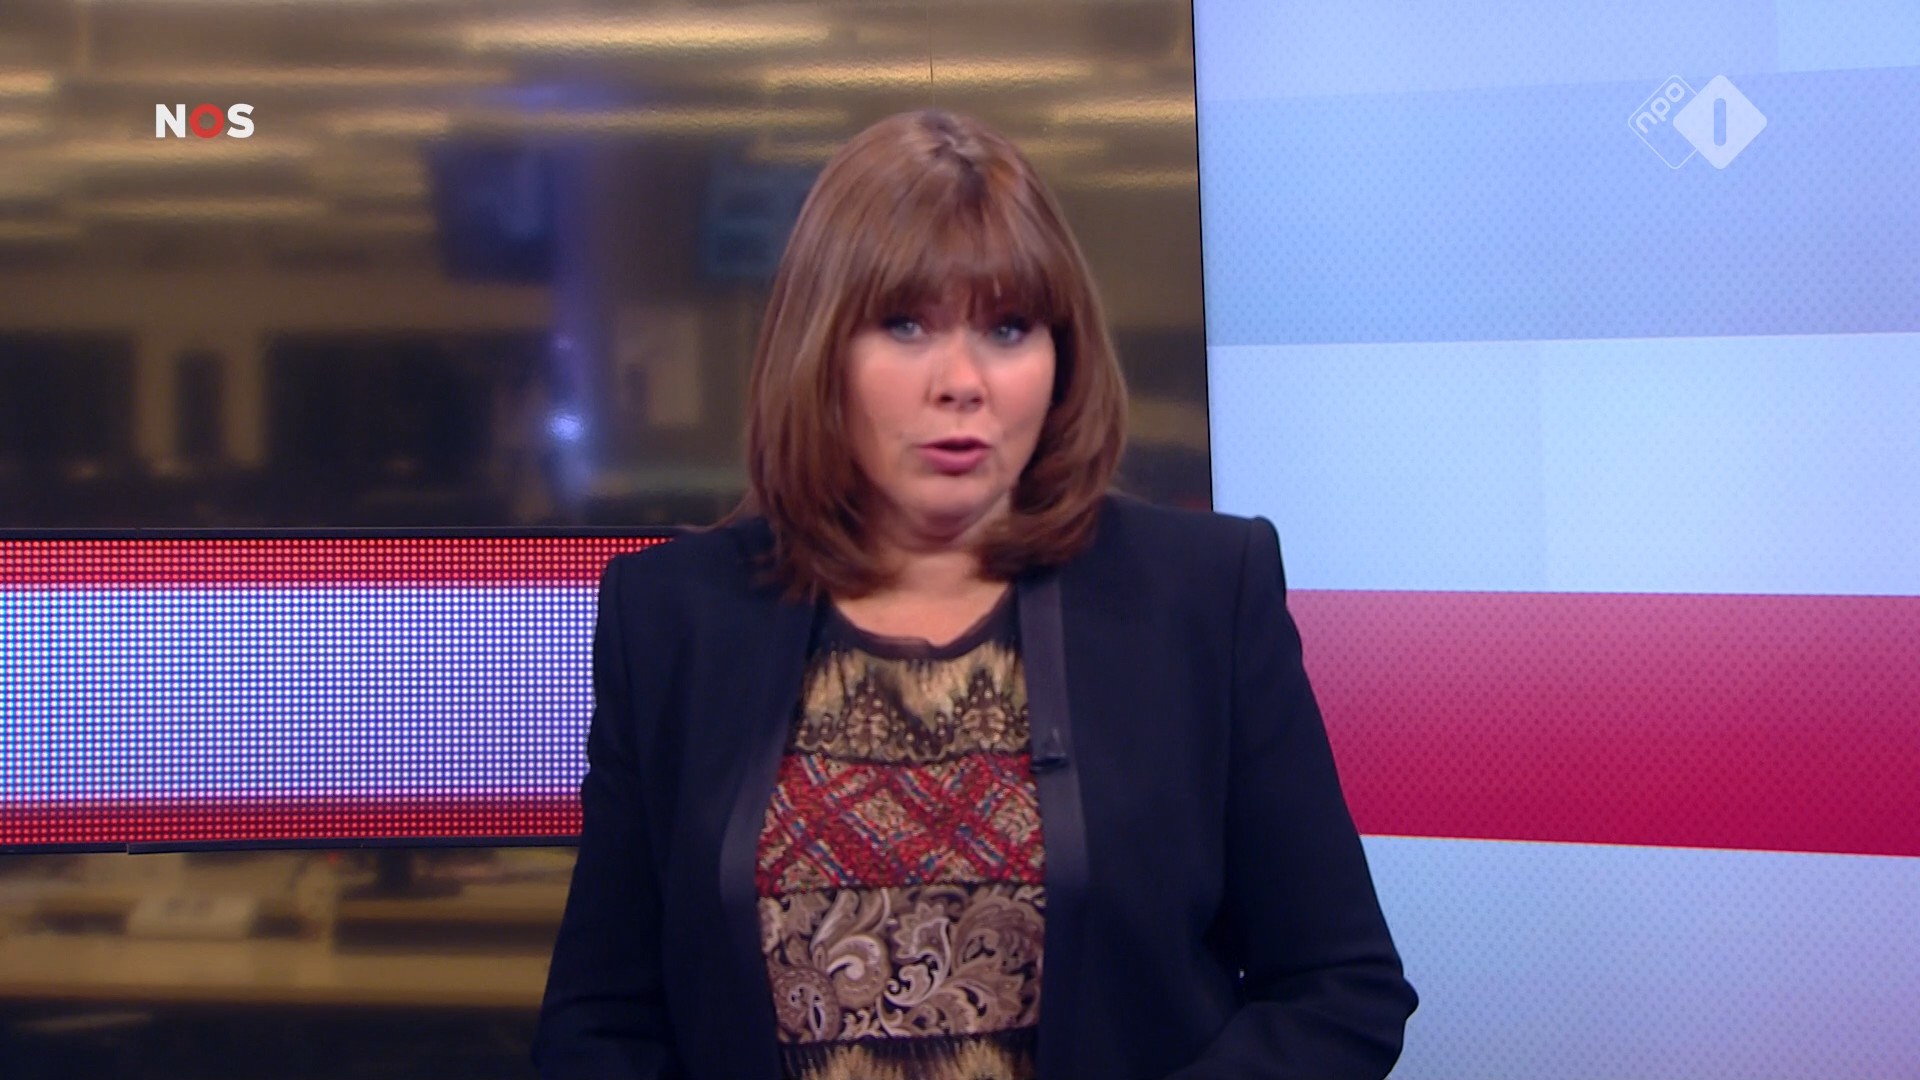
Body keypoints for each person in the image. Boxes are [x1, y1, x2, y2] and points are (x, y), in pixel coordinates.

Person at [534, 108, 1415, 1080]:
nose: (961, 381)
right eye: (905, 324)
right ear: (820, 350)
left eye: (1007, 327)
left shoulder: (1203, 593)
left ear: (1061, 355)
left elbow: (1341, 990)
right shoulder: (674, 616)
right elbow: (600, 1024)